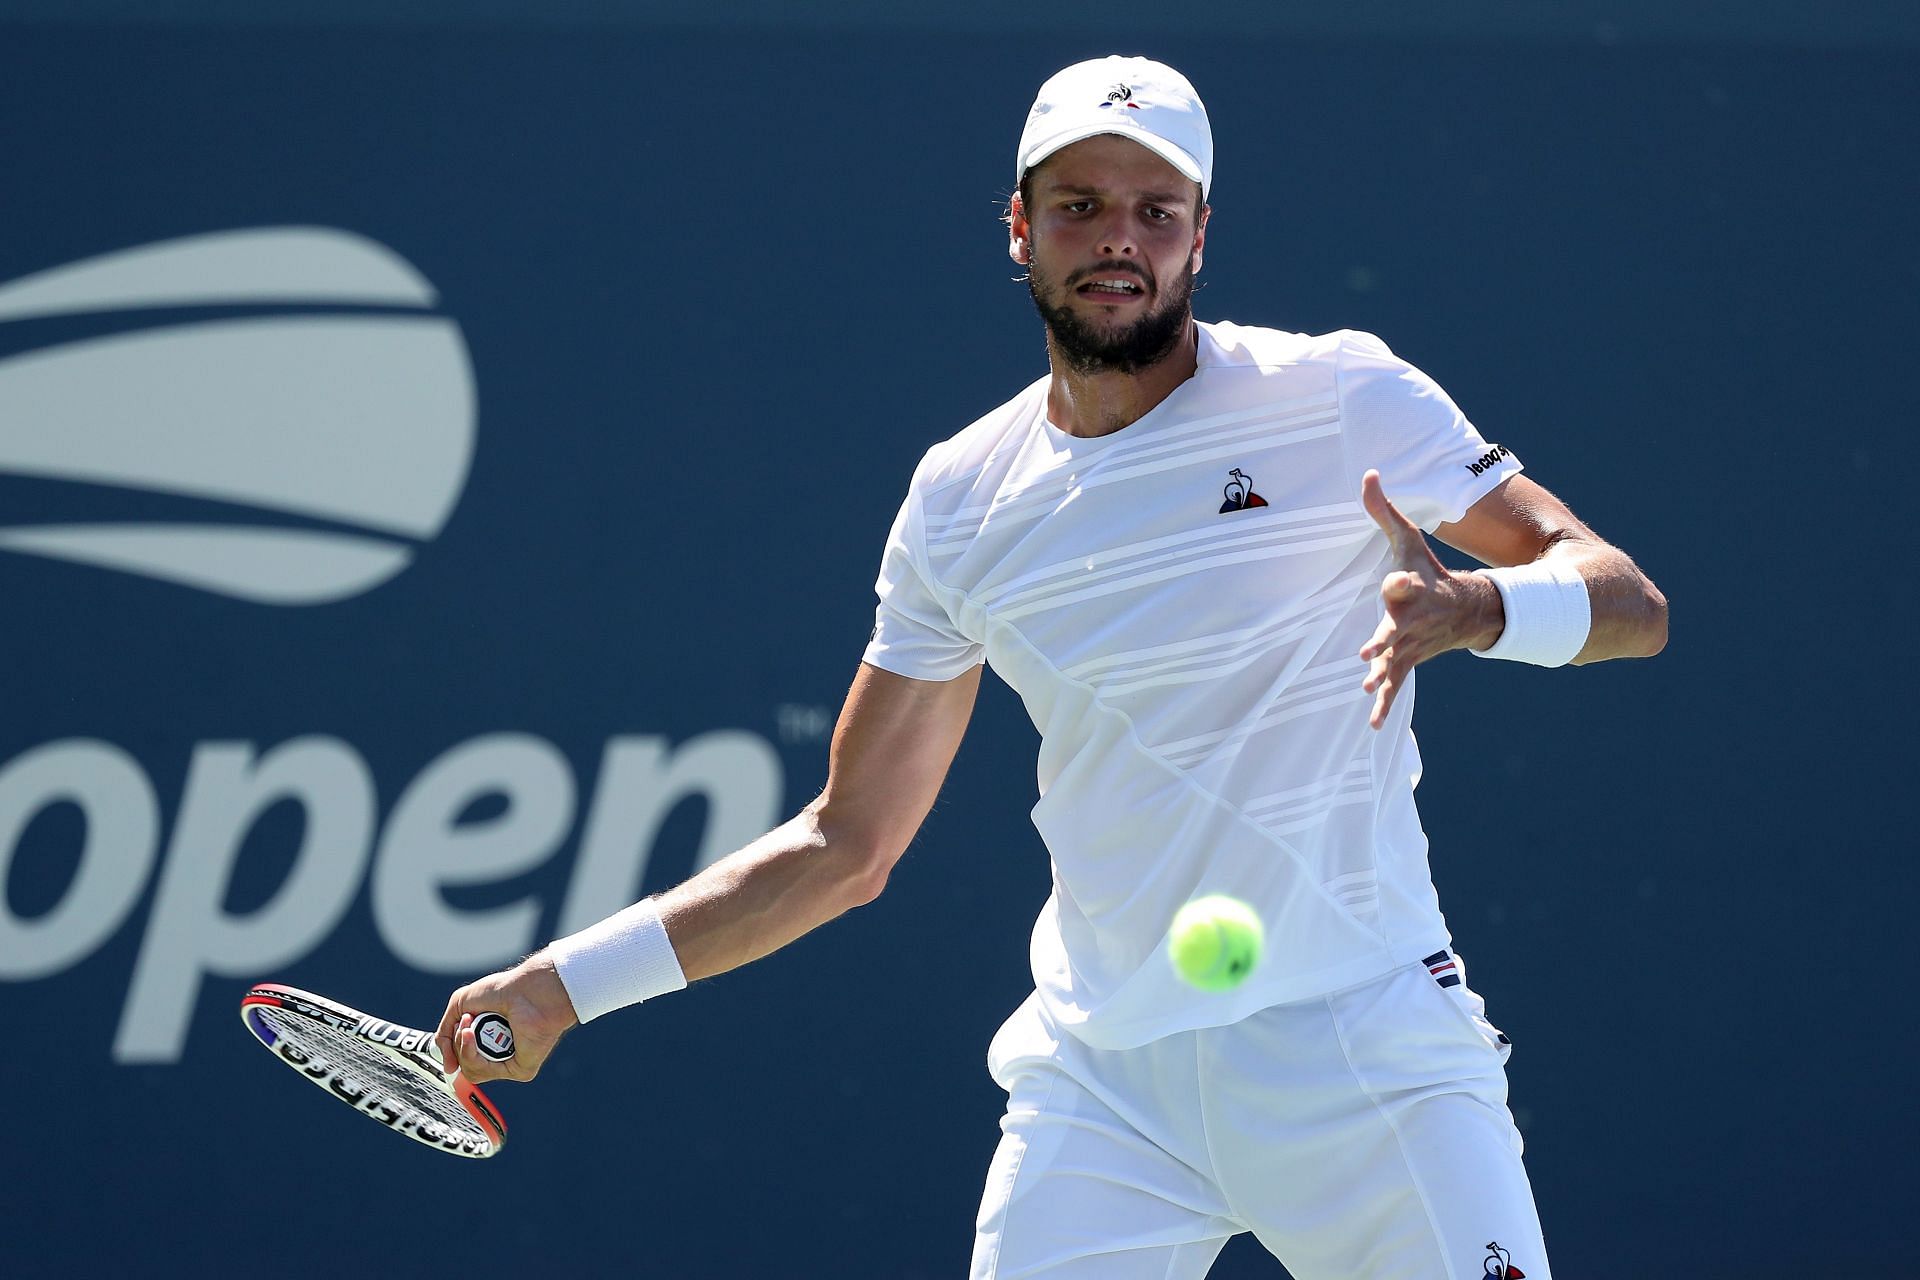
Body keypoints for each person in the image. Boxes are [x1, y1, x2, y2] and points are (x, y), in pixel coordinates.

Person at [437, 55, 1667, 1280]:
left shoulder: (1341, 394)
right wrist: (560, 987)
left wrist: (1478, 606)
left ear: (1200, 237)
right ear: (1021, 230)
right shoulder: (961, 499)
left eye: (1155, 209)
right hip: (1104, 1090)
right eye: (1080, 204)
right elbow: (844, 844)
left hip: (1364, 1048)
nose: (1118, 238)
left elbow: (1629, 601)